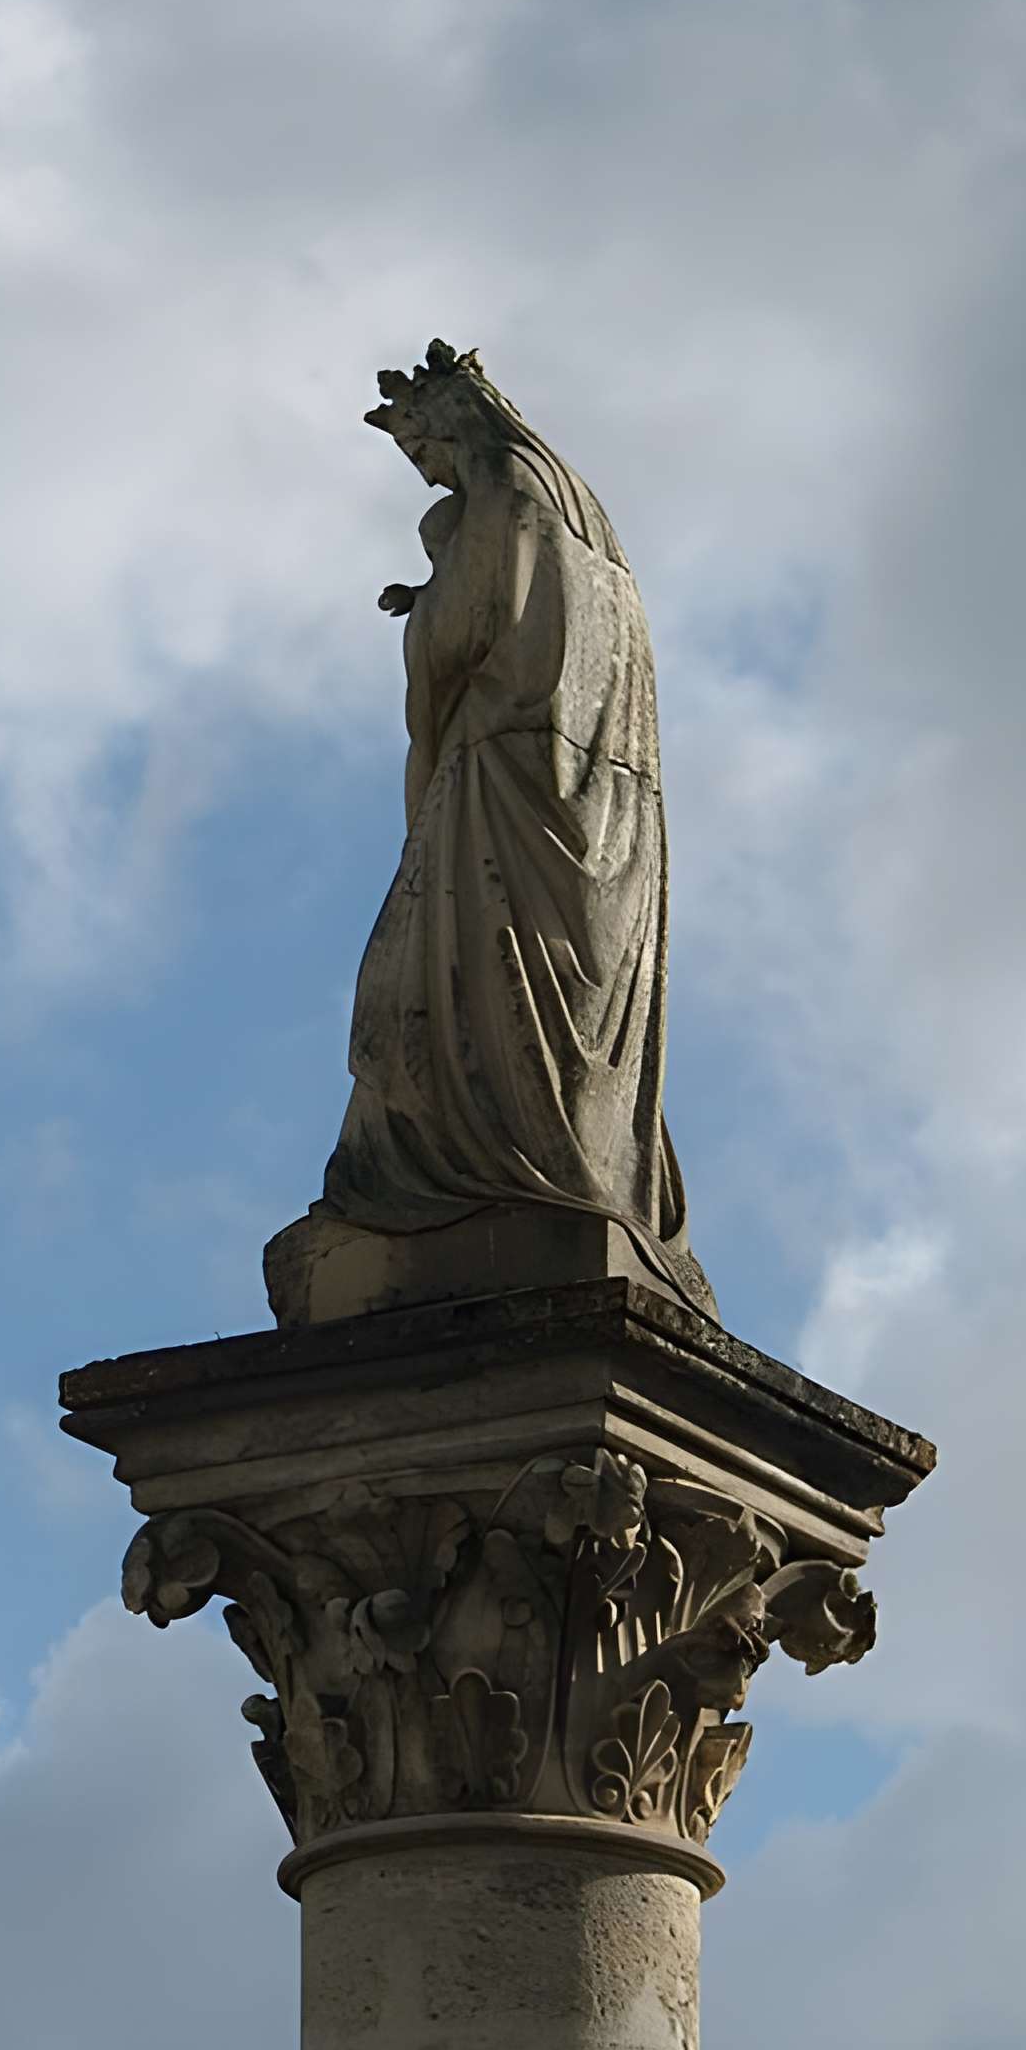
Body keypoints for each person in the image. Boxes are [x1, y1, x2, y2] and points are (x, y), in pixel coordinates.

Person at [319, 340, 715, 1319]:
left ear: (451, 423)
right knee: (538, 1008)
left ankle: (493, 1178)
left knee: (424, 1007)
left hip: (504, 786)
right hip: (598, 807)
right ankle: (571, 1162)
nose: (429, 474)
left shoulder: (502, 494)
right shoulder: (581, 519)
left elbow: (459, 645)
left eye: (423, 452)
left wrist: (429, 618)